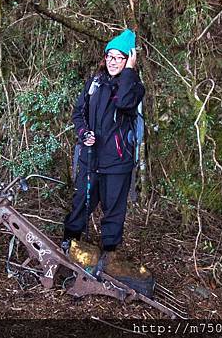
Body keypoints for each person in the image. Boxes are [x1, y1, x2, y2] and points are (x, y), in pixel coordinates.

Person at [61, 29, 153, 296]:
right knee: (82, 202)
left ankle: (109, 255)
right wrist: (83, 134)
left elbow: (125, 104)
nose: (113, 61)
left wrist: (129, 73)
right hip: (91, 158)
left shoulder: (134, 86)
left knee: (114, 210)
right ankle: (70, 243)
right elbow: (79, 113)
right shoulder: (95, 83)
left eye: (120, 58)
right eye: (109, 56)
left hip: (118, 162)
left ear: (129, 60)